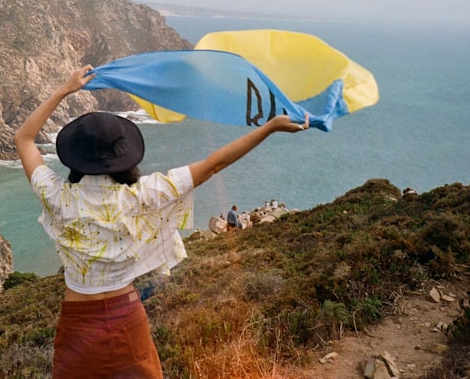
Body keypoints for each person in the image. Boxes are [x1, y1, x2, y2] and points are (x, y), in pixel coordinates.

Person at [15, 66, 308, 378]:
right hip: (126, 318)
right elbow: (214, 164)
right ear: (124, 156)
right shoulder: (143, 195)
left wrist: (64, 89)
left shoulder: (57, 196)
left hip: (77, 325)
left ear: (75, 156)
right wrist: (270, 128)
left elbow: (24, 138)